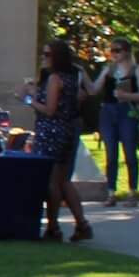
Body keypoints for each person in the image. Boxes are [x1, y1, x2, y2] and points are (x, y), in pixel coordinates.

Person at [33, 38, 94, 242]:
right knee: (63, 181)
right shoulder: (71, 77)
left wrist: (27, 100)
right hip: (67, 131)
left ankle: (53, 226)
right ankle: (81, 224)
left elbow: (50, 110)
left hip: (52, 133)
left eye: (48, 54)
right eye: (43, 53)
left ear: (57, 57)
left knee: (53, 182)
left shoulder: (55, 79)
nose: (43, 58)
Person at [94, 36, 139, 198]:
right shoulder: (108, 69)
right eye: (111, 50)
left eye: (117, 50)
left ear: (127, 52)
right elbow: (94, 89)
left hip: (127, 112)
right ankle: (111, 191)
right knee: (111, 154)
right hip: (108, 111)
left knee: (130, 153)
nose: (114, 53)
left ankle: (132, 191)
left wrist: (126, 95)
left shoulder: (137, 70)